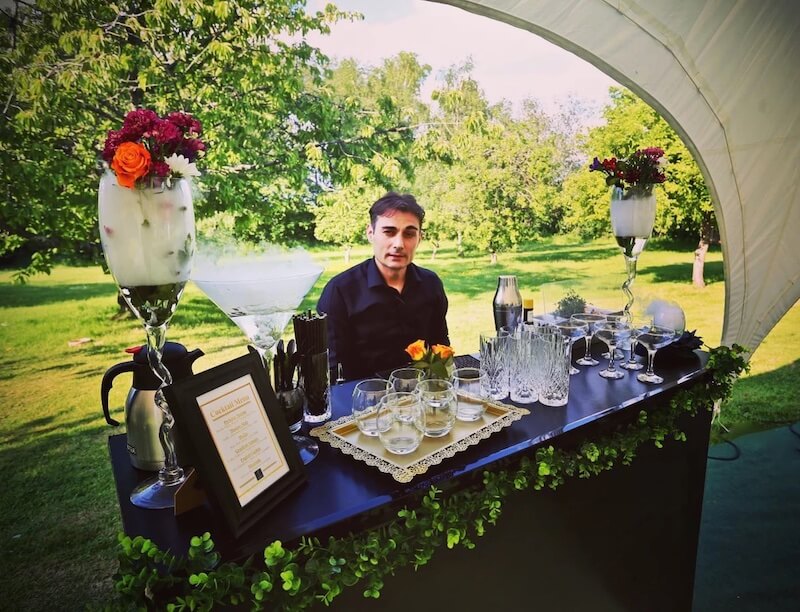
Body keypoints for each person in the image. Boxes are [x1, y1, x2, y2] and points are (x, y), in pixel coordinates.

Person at [317, 192, 450, 380]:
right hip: (363, 400)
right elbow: (333, 370)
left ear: (419, 238)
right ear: (370, 233)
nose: (399, 244)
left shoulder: (431, 284)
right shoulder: (340, 291)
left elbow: (440, 348)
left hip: (420, 396)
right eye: (389, 232)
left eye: (409, 234)